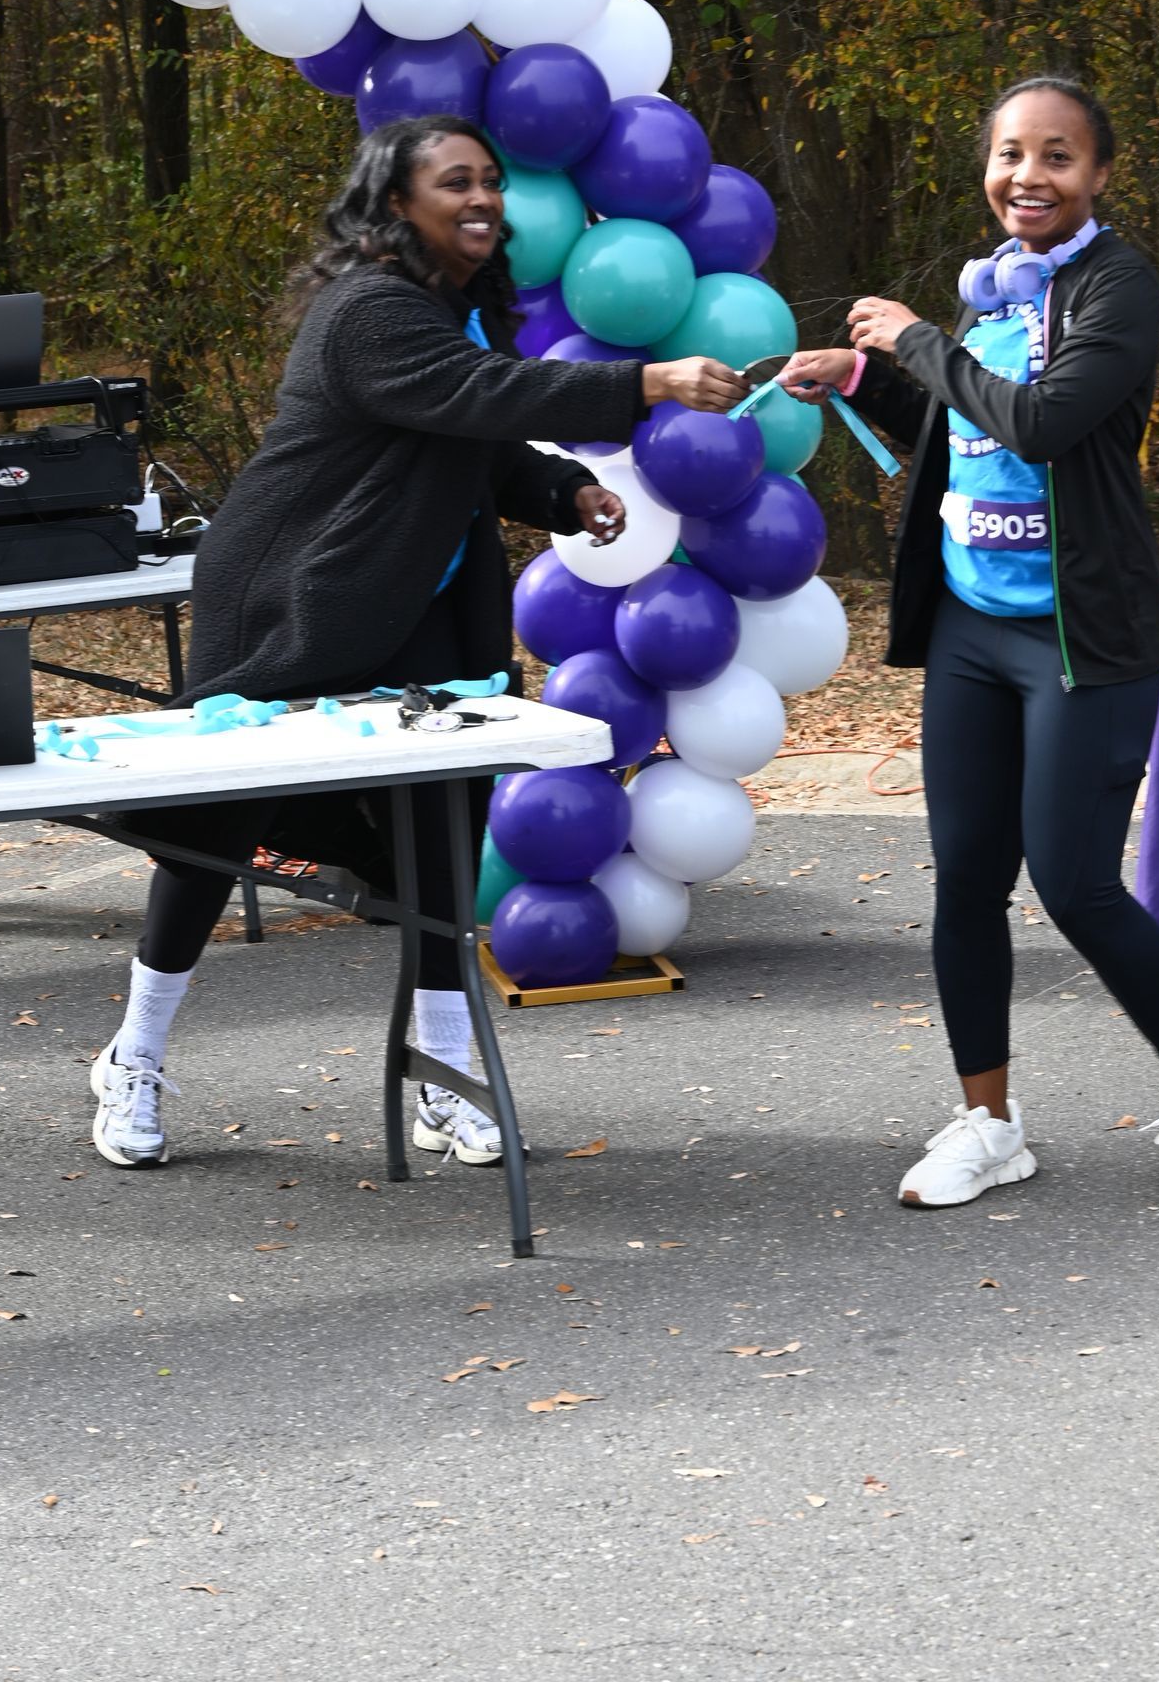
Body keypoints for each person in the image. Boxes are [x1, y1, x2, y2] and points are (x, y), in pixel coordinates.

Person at [90, 115, 744, 1170]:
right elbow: (481, 395)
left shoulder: (458, 308)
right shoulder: (370, 309)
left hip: (419, 610)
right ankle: (136, 1055)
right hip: (295, 595)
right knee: (212, 833)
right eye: (454, 183)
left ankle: (446, 1074)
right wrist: (648, 383)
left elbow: (477, 438)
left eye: (490, 180)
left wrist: (561, 490)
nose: (482, 198)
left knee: (441, 831)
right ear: (398, 204)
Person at [778, 76, 1159, 1213]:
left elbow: (1041, 424)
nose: (1027, 177)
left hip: (1080, 634)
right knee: (966, 883)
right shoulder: (994, 293)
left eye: (1056, 156)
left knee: (1077, 885)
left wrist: (912, 340)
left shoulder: (1116, 285)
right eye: (1010, 154)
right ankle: (989, 1123)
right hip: (971, 631)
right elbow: (965, 431)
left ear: (1098, 175)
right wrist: (866, 378)